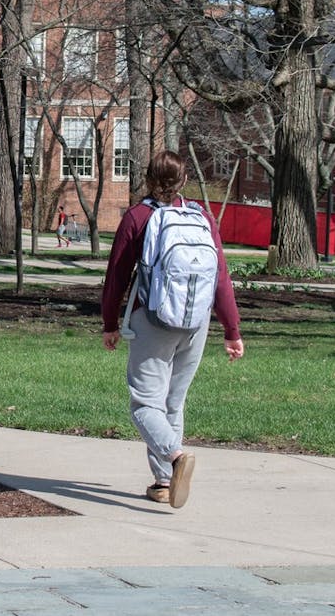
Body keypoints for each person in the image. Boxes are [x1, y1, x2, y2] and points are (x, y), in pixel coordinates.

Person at [100, 151, 244, 508]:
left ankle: (176, 457)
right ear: (183, 181)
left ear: (149, 178)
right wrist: (232, 330)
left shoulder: (139, 216)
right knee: (173, 402)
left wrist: (109, 323)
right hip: (196, 324)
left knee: (145, 404)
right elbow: (221, 277)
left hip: (152, 321)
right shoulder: (202, 218)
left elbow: (117, 276)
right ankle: (164, 483)